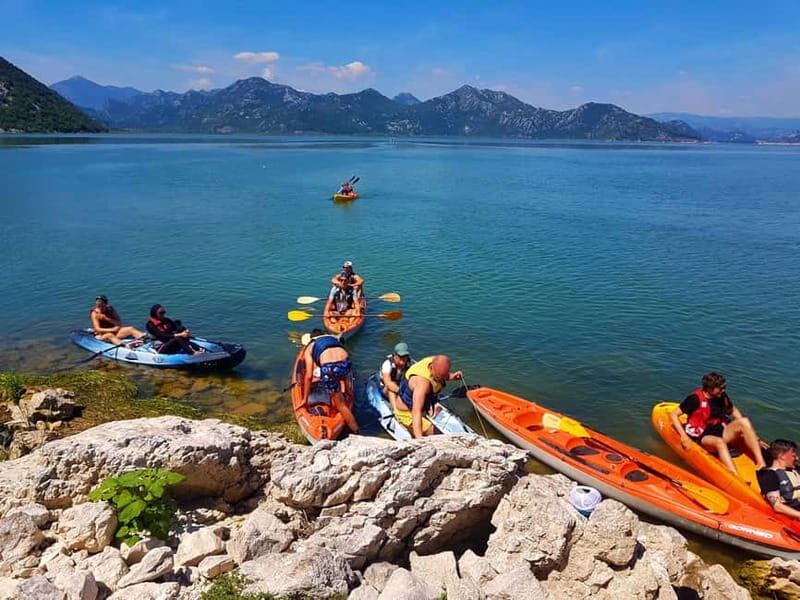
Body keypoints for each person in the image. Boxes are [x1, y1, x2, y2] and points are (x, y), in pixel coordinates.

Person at [669, 372, 765, 476]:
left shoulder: (721, 396)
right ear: (710, 389)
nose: (724, 390)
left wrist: (754, 437)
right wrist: (683, 436)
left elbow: (732, 410)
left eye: (724, 387)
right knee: (719, 442)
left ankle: (761, 462)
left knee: (744, 421)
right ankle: (735, 476)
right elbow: (674, 415)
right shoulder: (694, 399)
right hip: (703, 436)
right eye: (721, 388)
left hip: (721, 430)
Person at [301, 329, 359, 434]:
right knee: (340, 377)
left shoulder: (310, 346)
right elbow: (340, 358)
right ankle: (347, 394)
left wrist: (305, 399)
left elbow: (309, 376)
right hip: (345, 361)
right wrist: (347, 389)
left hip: (330, 367)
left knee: (341, 405)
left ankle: (357, 431)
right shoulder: (332, 339)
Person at [395, 354, 463, 438]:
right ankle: (409, 428)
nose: (442, 380)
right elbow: (416, 412)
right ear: (431, 368)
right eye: (439, 377)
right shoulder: (422, 384)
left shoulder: (434, 361)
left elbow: (442, 374)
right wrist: (420, 440)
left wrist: (452, 376)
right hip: (407, 414)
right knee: (440, 437)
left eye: (444, 377)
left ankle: (428, 413)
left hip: (421, 407)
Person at [757, 439, 800, 520]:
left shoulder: (795, 469)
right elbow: (777, 506)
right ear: (782, 456)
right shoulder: (769, 475)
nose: (797, 458)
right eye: (793, 456)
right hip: (795, 513)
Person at [379, 342, 414, 409]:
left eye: (405, 357)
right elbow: (387, 383)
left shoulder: (410, 364)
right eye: (401, 357)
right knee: (391, 386)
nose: (403, 359)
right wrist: (402, 392)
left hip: (401, 387)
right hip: (386, 389)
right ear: (395, 355)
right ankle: (396, 410)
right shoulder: (387, 364)